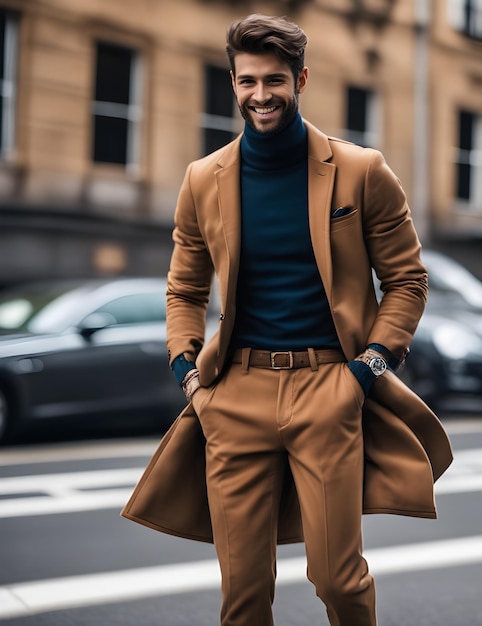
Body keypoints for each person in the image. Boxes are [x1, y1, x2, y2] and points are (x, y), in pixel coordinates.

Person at [122, 13, 452, 626]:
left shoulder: (360, 170)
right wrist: (187, 372)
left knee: (339, 580)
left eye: (274, 80)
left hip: (330, 387)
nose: (261, 95)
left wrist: (366, 370)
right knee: (242, 595)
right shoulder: (203, 179)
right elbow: (184, 287)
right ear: (233, 83)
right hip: (234, 394)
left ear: (300, 79)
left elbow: (407, 280)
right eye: (247, 81)